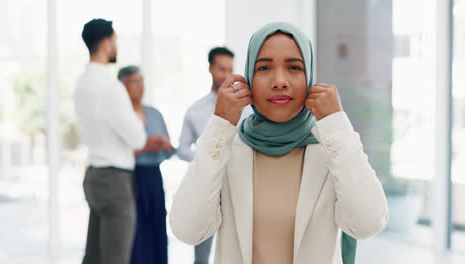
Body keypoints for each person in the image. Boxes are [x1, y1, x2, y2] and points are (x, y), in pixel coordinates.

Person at [169, 22, 389, 264]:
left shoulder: (332, 148)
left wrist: (337, 124)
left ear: (310, 78)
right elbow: (187, 229)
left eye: (294, 67)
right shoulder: (228, 149)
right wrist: (220, 125)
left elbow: (368, 223)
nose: (279, 81)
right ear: (248, 80)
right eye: (264, 67)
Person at [74, 19, 146, 264]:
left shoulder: (82, 83)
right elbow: (137, 138)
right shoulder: (110, 86)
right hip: (114, 180)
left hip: (93, 175)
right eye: (115, 40)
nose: (116, 45)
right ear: (106, 43)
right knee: (116, 259)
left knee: (93, 256)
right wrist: (137, 115)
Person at [176, 46, 252, 264]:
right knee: (202, 250)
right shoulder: (195, 110)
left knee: (239, 246)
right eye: (221, 69)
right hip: (207, 186)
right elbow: (182, 149)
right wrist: (208, 159)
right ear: (210, 69)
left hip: (238, 186)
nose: (226, 75)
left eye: (230, 69)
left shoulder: (247, 110)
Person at [117, 66, 174, 264]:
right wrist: (144, 146)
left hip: (154, 177)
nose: (140, 86)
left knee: (157, 225)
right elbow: (117, 151)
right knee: (136, 230)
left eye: (142, 80)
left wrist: (165, 145)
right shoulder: (121, 115)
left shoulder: (154, 113)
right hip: (131, 178)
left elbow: (169, 149)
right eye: (134, 81)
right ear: (123, 86)